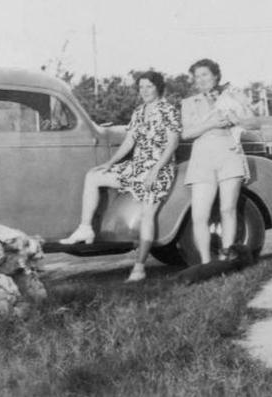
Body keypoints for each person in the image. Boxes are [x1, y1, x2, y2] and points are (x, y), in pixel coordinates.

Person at [60, 70, 181, 283]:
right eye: (141, 87)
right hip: (137, 166)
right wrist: (110, 163)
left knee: (147, 214)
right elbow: (129, 141)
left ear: (158, 88)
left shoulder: (168, 110)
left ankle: (139, 267)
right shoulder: (139, 111)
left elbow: (172, 143)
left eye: (149, 87)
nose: (144, 91)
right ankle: (85, 229)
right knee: (94, 176)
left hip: (159, 169)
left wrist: (155, 171)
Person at [181, 59, 255, 264]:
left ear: (215, 76)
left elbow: (252, 123)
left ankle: (225, 258)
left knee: (227, 209)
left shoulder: (230, 96)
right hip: (202, 157)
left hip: (229, 152)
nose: (200, 79)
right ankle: (206, 262)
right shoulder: (189, 102)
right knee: (199, 215)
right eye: (197, 76)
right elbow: (186, 133)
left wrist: (243, 103)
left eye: (204, 74)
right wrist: (211, 123)